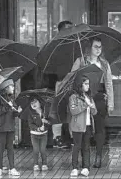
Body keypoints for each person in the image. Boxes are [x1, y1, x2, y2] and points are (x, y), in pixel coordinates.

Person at [71, 36, 114, 168]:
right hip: (84, 97)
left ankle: (99, 156)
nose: (98, 49)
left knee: (100, 128)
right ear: (89, 47)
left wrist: (110, 102)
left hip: (99, 96)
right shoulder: (81, 61)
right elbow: (71, 78)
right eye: (95, 46)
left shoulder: (105, 63)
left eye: (100, 47)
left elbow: (109, 83)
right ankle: (85, 158)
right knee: (85, 128)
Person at [0, 79, 23, 176]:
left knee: (10, 148)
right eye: (11, 86)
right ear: (6, 88)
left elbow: (14, 112)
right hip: (1, 127)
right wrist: (7, 107)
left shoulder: (11, 98)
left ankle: (12, 168)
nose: (13, 88)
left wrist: (18, 111)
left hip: (10, 126)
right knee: (1, 147)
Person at [68, 75, 97, 177]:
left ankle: (86, 167)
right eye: (85, 84)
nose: (88, 86)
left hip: (88, 125)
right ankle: (75, 167)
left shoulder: (89, 97)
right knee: (77, 147)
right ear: (80, 85)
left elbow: (94, 112)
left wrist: (92, 107)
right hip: (77, 126)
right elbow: (74, 111)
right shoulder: (73, 97)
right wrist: (86, 105)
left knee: (86, 147)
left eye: (88, 84)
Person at [52, 20, 74, 149]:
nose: (71, 31)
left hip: (73, 80)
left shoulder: (74, 45)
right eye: (68, 29)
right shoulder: (56, 46)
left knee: (73, 109)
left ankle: (73, 136)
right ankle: (57, 138)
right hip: (61, 80)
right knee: (58, 109)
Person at [28, 95, 52, 171]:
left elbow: (50, 122)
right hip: (34, 134)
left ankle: (44, 164)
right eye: (31, 103)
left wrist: (46, 122)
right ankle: (35, 164)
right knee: (36, 149)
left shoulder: (45, 112)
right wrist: (38, 128)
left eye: (35, 102)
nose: (33, 104)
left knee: (42, 149)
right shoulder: (30, 113)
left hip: (44, 134)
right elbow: (30, 124)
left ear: (40, 102)